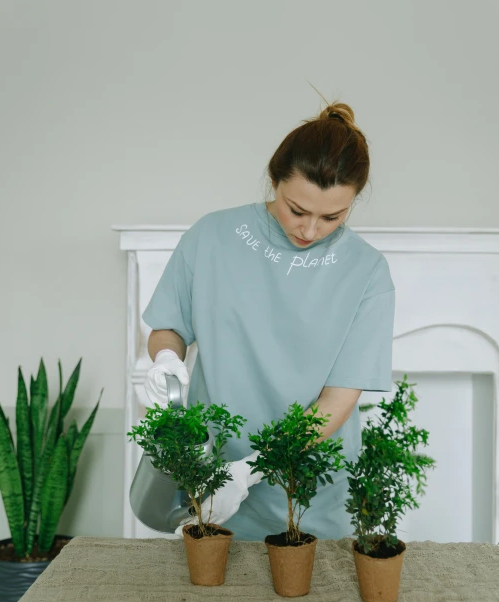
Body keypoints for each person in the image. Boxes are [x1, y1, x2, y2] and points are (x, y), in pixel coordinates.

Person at [142, 99, 395, 541]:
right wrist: (165, 358)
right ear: (274, 181)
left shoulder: (367, 272)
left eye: (333, 216)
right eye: (297, 209)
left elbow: (338, 400)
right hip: (210, 474)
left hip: (308, 488)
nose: (310, 230)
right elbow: (170, 326)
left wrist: (251, 469)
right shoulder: (212, 237)